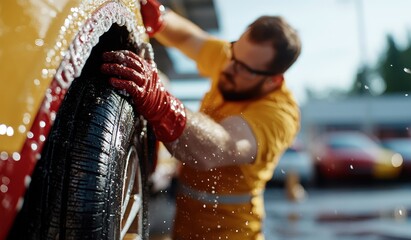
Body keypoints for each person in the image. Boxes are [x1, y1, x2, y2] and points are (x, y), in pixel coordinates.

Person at [100, 0, 302, 239]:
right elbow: (188, 38)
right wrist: (157, 15)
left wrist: (162, 105)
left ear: (272, 81)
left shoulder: (279, 115)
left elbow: (220, 146)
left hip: (231, 234)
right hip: (185, 228)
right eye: (233, 52)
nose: (227, 67)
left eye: (243, 69)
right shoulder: (235, 62)